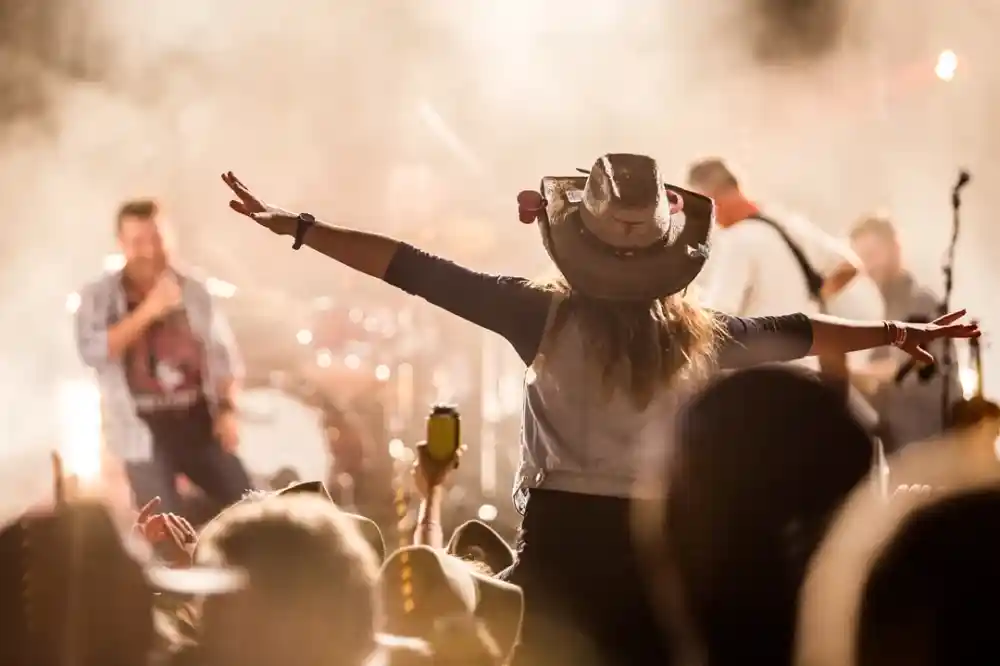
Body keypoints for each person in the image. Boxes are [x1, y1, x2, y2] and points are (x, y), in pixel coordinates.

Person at [219, 155, 978, 666]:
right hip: (654, 543)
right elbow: (799, 335)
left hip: (559, 541)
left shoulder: (538, 316)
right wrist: (900, 331)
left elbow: (413, 269)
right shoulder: (700, 335)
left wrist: (303, 229)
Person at [74, 198, 253, 518]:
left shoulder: (195, 289)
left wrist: (227, 410)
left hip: (198, 419)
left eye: (156, 239)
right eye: (137, 242)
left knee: (251, 508)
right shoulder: (98, 296)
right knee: (163, 526)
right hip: (140, 426)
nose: (149, 251)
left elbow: (224, 357)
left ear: (171, 238)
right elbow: (93, 352)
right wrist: (149, 310)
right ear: (121, 245)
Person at [686, 157, 886, 376]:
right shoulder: (785, 222)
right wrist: (808, 303)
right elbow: (848, 266)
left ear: (712, 196)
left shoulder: (736, 241)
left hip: (762, 376)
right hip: (808, 366)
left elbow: (717, 318)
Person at [849, 214, 963, 451]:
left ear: (895, 248)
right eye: (861, 259)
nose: (868, 267)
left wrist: (845, 372)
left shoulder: (921, 303)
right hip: (902, 448)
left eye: (872, 255)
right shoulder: (882, 310)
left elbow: (903, 366)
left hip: (932, 443)